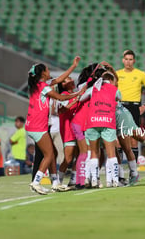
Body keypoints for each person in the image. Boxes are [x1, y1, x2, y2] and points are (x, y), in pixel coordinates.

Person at [26, 57, 85, 195]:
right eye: (47, 69)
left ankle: (55, 182)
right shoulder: (44, 87)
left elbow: (58, 80)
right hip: (38, 126)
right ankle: (36, 182)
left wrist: (73, 66)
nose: (49, 71)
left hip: (33, 125)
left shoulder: (37, 85)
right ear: (43, 74)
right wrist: (78, 94)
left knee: (53, 153)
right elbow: (60, 97)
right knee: (49, 154)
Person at [81, 71, 122, 188]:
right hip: (108, 121)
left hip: (93, 121)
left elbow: (81, 98)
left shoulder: (93, 88)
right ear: (111, 80)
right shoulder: (114, 89)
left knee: (94, 153)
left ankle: (94, 179)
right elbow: (120, 97)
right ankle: (114, 181)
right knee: (111, 153)